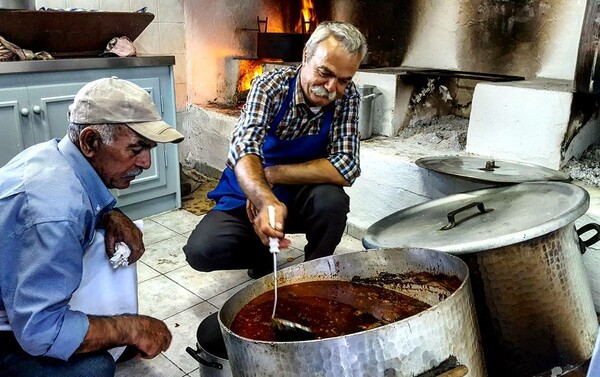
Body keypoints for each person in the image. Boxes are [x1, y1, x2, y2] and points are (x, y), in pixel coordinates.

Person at [0, 77, 185, 377]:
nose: (147, 163)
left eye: (149, 149)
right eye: (136, 149)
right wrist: (130, 328)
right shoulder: (57, 214)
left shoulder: (53, 157)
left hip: (14, 293)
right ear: (90, 142)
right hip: (16, 324)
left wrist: (110, 213)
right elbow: (40, 331)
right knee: (95, 368)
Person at [184, 21, 368, 278]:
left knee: (332, 202)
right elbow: (243, 148)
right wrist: (264, 199)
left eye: (343, 80)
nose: (331, 88)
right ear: (306, 55)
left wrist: (272, 175)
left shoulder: (347, 98)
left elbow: (346, 166)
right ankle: (261, 251)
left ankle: (314, 274)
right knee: (201, 251)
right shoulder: (270, 87)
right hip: (247, 195)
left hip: (301, 195)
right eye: (324, 72)